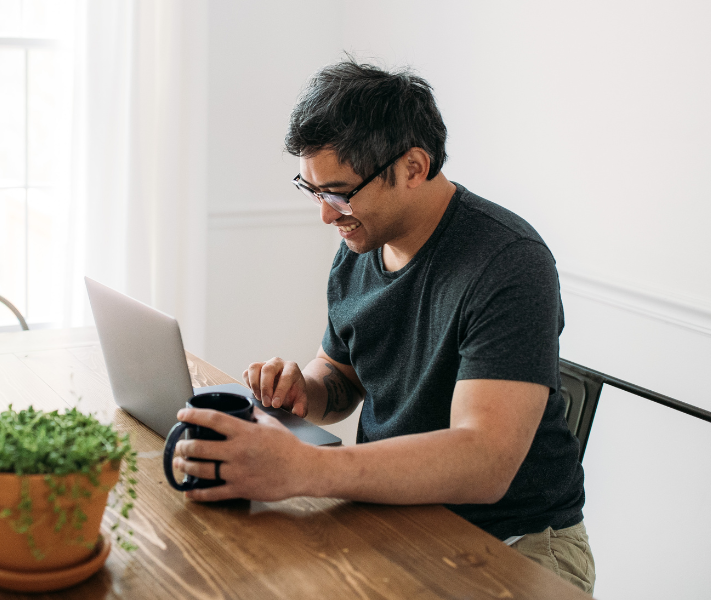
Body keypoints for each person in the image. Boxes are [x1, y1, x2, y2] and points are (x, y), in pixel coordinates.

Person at [170, 59, 594, 593]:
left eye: (340, 192)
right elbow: (340, 380)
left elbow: (483, 462)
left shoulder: (509, 262)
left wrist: (302, 469)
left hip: (515, 543)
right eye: (314, 190)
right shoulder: (361, 243)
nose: (326, 214)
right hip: (396, 515)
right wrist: (304, 389)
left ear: (414, 167)